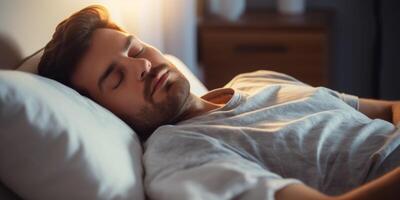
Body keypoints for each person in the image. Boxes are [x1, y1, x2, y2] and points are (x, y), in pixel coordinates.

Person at [38, 5, 399, 200]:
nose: (142, 66)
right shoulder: (180, 154)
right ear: (104, 112)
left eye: (134, 49)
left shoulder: (256, 79)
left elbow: (387, 109)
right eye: (116, 78)